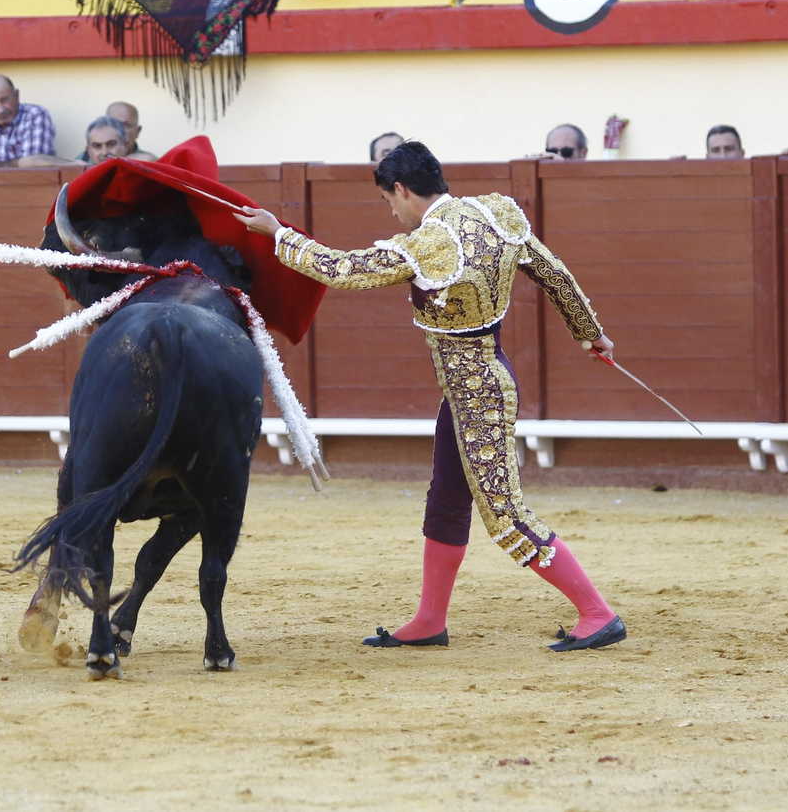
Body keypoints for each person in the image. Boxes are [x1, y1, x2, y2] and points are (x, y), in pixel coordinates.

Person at [234, 142, 627, 652]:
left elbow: (344, 270)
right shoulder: (496, 211)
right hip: (467, 390)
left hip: (479, 393)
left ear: (400, 189)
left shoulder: (430, 243)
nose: (392, 212)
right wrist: (589, 331)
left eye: (387, 201)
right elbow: (553, 273)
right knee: (446, 499)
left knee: (505, 513)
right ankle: (429, 620)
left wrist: (278, 234)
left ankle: (596, 613)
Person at [0, 75, 75, 167]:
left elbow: (34, 166)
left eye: (5, 100)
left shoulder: (35, 115)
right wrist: (18, 163)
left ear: (16, 95)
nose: (1, 109)